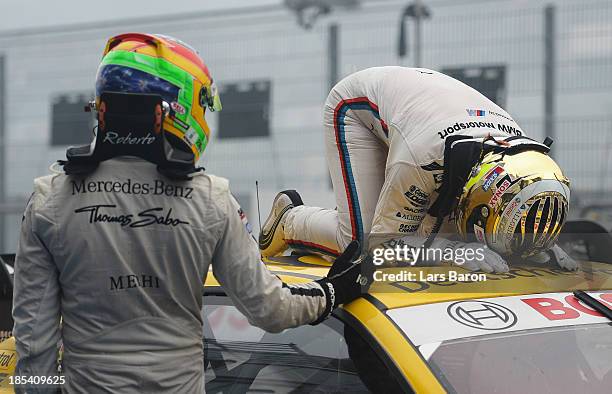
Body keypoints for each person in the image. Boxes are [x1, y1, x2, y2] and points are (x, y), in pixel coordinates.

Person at [11, 33, 365, 394]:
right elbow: (270, 310)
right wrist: (334, 291)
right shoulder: (211, 201)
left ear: (101, 108)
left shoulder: (48, 201)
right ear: (174, 110)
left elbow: (34, 345)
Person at [259, 66, 577, 273]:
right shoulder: (421, 159)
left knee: (448, 239)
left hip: (426, 112)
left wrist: (536, 239)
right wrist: (451, 252)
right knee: (358, 242)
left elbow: (517, 192)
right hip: (358, 108)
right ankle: (289, 220)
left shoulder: (520, 158)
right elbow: (384, 245)